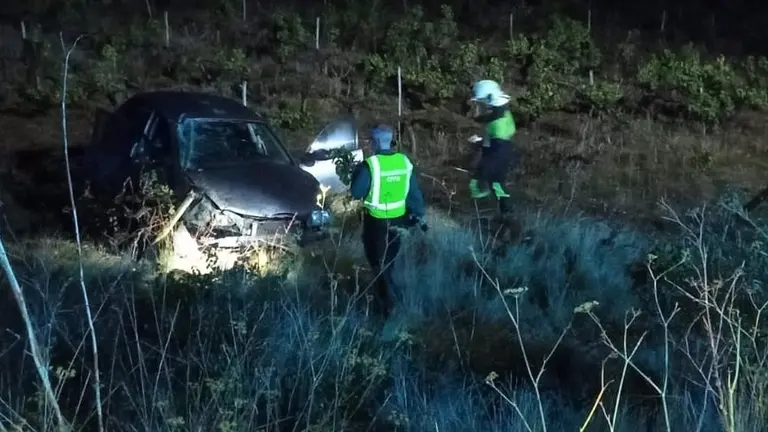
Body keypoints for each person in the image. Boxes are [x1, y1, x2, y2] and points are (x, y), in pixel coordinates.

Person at [350, 124, 427, 317]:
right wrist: (417, 214)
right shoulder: (404, 162)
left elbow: (356, 192)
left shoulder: (371, 165)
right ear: (391, 140)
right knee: (389, 262)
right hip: (399, 221)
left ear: (374, 142)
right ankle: (391, 300)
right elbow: (414, 193)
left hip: (376, 224)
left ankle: (388, 307)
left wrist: (356, 173)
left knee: (379, 265)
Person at [467, 79, 518, 216]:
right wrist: (481, 140)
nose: (481, 104)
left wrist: (481, 173)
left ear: (489, 98)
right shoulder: (502, 111)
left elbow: (498, 143)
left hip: (498, 153)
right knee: (497, 185)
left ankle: (483, 214)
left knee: (479, 185)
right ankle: (506, 214)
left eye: (482, 101)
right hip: (501, 150)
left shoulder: (498, 116)